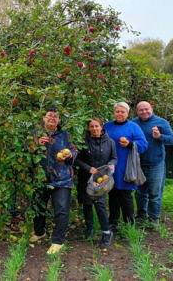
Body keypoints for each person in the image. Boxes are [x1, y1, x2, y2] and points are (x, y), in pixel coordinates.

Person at [29, 108, 77, 255]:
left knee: (61, 209)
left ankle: (58, 241)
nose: (52, 118)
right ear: (43, 118)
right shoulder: (35, 134)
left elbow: (74, 151)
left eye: (56, 116)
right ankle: (39, 232)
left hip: (62, 178)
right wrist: (36, 144)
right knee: (38, 208)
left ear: (59, 120)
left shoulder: (65, 134)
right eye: (49, 116)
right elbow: (24, 151)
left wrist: (67, 156)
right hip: (40, 178)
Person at [104, 102, 148, 231]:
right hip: (111, 166)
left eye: (122, 111)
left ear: (128, 113)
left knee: (125, 195)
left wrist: (130, 144)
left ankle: (129, 224)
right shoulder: (107, 126)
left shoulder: (133, 127)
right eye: (117, 111)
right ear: (114, 112)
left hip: (126, 166)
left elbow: (144, 144)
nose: (119, 114)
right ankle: (113, 222)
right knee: (112, 194)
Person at [76, 118, 117, 248]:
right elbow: (77, 160)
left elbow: (114, 158)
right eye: (91, 127)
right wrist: (88, 168)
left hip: (102, 180)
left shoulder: (110, 142)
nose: (94, 129)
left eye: (97, 126)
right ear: (88, 128)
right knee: (87, 204)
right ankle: (90, 229)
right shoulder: (83, 142)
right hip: (85, 178)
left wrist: (111, 165)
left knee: (100, 205)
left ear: (101, 127)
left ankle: (106, 232)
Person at [133, 101, 173, 225]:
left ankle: (153, 218)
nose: (144, 112)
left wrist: (159, 137)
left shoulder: (162, 122)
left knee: (155, 194)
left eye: (146, 109)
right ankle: (141, 216)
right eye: (141, 110)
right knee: (140, 193)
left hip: (156, 164)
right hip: (138, 164)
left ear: (151, 108)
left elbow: (172, 140)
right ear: (137, 111)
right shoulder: (134, 123)